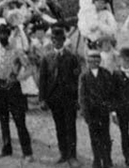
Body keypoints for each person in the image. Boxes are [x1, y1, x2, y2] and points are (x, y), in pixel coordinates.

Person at [0, 19, 34, 161]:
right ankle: (6, 148)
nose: (2, 36)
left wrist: (18, 78)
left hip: (13, 88)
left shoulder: (17, 51)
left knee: (19, 120)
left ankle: (27, 152)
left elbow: (30, 68)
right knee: (3, 119)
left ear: (8, 34)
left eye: (4, 34)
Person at [38, 26, 81, 164]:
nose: (57, 42)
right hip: (54, 99)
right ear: (51, 40)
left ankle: (72, 156)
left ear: (64, 40)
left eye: (60, 39)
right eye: (54, 39)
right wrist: (42, 99)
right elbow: (42, 80)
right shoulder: (47, 58)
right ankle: (63, 153)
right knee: (60, 127)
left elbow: (77, 79)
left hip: (69, 98)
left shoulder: (72, 57)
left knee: (70, 127)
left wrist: (77, 98)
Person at [79, 50, 114, 168]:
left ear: (100, 61)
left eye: (96, 60)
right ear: (88, 61)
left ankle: (107, 159)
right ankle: (97, 160)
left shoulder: (106, 74)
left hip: (103, 111)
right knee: (94, 137)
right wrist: (85, 112)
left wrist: (110, 108)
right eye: (91, 60)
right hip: (91, 112)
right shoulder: (84, 76)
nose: (94, 63)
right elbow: (82, 96)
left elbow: (110, 93)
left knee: (106, 136)